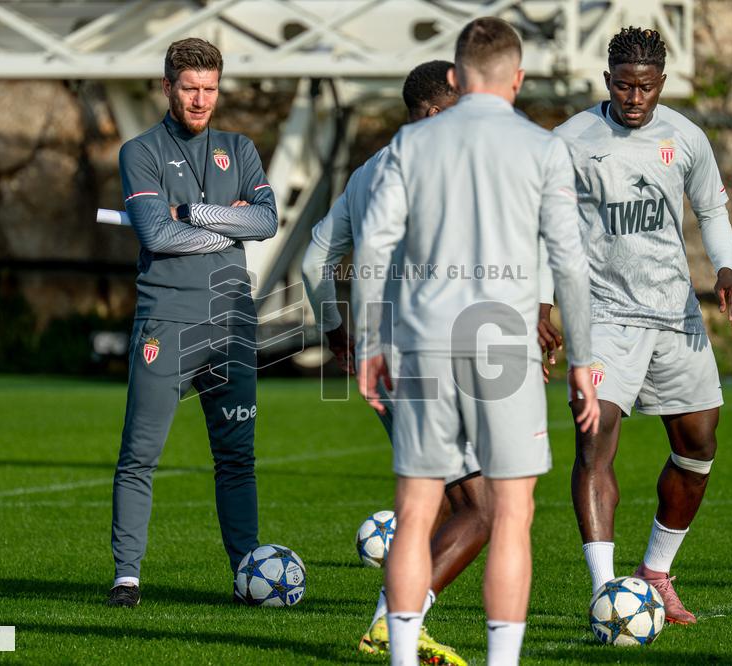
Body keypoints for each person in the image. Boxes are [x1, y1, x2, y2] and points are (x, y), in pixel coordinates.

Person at [355, 17, 599, 665]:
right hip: (504, 347)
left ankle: (402, 655)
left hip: (423, 345)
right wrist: (585, 360)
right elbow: (570, 263)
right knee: (511, 514)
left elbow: (374, 248)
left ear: (457, 79)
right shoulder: (543, 150)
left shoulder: (410, 145)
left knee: (415, 510)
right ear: (516, 80)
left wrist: (369, 344)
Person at [553, 26, 732, 624]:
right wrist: (545, 307)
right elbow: (547, 228)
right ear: (606, 80)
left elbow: (711, 208)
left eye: (645, 88)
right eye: (622, 86)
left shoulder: (685, 136)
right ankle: (604, 591)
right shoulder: (570, 140)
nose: (633, 99)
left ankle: (655, 572)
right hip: (604, 317)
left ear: (661, 83)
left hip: (674, 316)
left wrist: (726, 270)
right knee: (595, 438)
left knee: (698, 448)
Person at [302, 60, 474, 666]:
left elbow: (312, 264)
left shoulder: (368, 172)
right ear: (432, 112)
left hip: (387, 363)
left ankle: (395, 627)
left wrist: (341, 336)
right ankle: (395, 625)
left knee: (442, 502)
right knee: (481, 508)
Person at [108, 37, 278, 607]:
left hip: (233, 323)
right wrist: (229, 225)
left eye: (209, 89)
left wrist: (195, 214)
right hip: (169, 322)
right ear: (167, 88)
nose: (201, 100)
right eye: (189, 89)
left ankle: (247, 573)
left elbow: (268, 221)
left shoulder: (241, 147)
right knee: (139, 455)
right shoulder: (141, 151)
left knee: (237, 459)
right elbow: (158, 235)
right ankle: (127, 577)